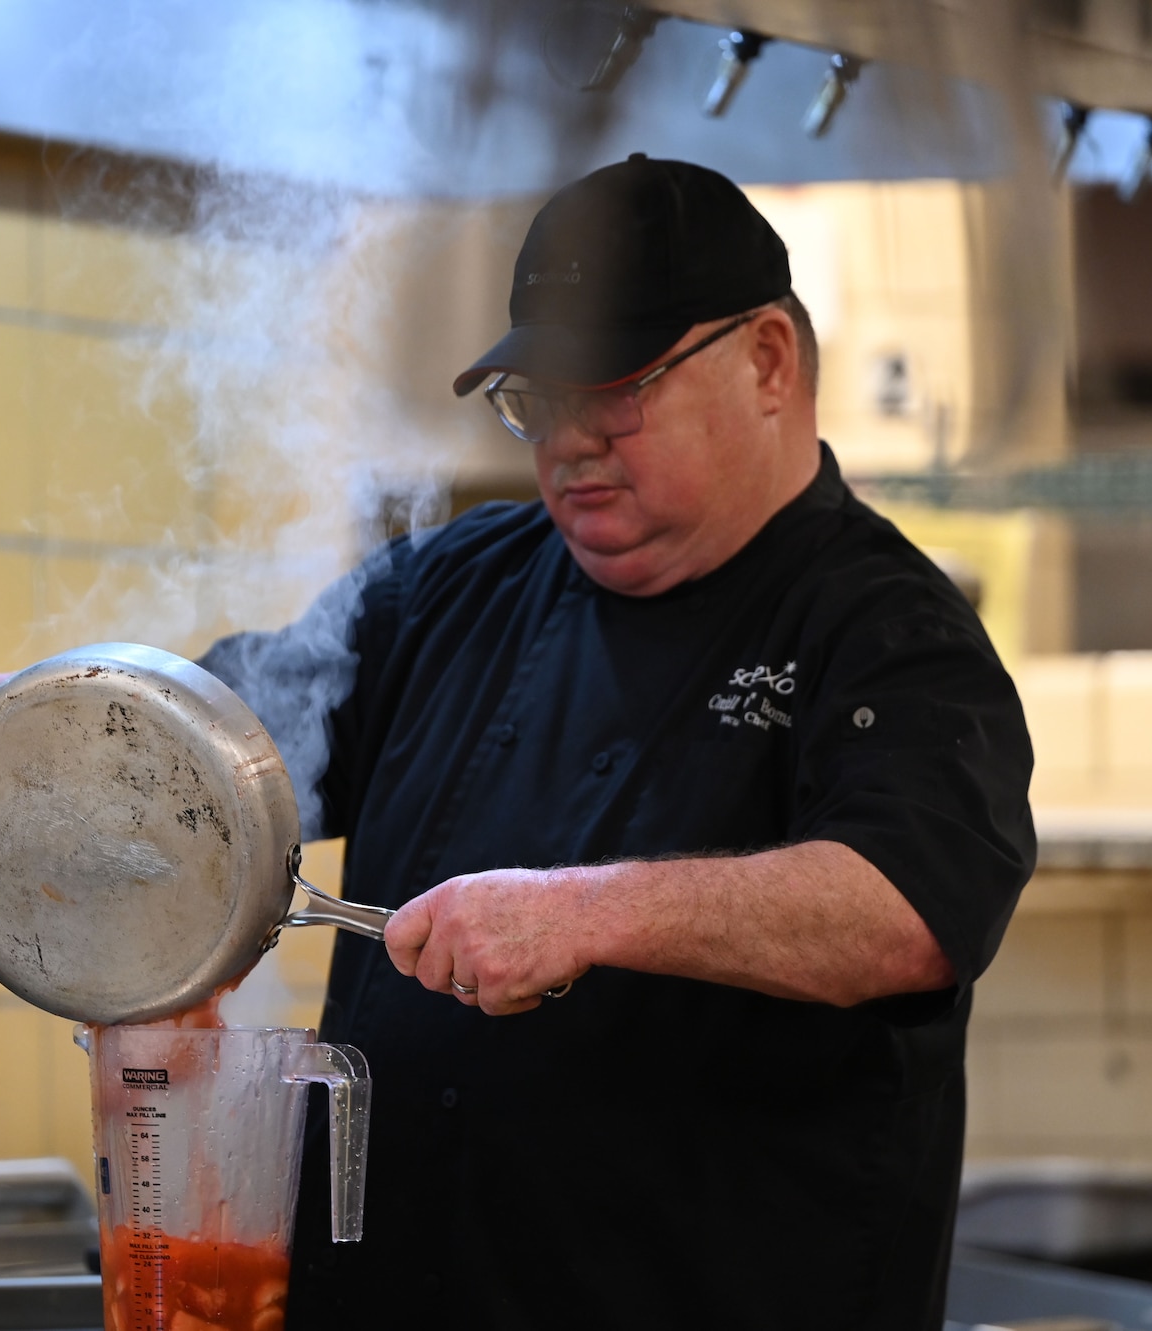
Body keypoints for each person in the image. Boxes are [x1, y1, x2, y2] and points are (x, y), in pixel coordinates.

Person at [195, 154, 1036, 1330]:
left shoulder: (888, 627)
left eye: (614, 387)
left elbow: (906, 908)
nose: (571, 440)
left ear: (767, 363)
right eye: (538, 398)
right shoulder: (451, 585)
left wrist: (579, 912)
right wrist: (105, 729)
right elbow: (229, 750)